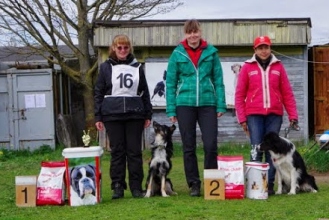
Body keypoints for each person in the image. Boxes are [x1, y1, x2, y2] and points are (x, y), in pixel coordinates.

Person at [166, 19, 226, 197]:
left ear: (200, 32)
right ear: (185, 34)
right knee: (188, 146)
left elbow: (219, 81)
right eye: (189, 32)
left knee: (210, 144)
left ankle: (211, 182)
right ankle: (194, 184)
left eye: (195, 32)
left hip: (208, 104)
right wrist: (171, 109)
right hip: (184, 104)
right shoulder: (177, 54)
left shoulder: (211, 52)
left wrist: (221, 103)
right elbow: (170, 83)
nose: (193, 36)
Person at [234, 35, 299, 195]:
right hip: (253, 115)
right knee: (257, 148)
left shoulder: (278, 67)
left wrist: (293, 115)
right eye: (260, 48)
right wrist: (242, 118)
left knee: (273, 150)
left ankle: (269, 185)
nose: (264, 51)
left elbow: (287, 93)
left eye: (266, 47)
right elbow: (239, 94)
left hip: (274, 115)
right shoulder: (247, 67)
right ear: (255, 49)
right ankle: (255, 184)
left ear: (270, 48)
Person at [94, 34, 152, 199]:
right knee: (117, 151)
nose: (122, 50)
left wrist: (148, 113)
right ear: (113, 48)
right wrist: (98, 116)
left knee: (134, 152)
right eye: (119, 47)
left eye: (126, 47)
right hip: (112, 114)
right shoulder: (105, 67)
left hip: (135, 114)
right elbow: (98, 92)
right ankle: (117, 186)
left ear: (130, 49)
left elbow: (144, 91)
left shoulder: (137, 67)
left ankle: (136, 187)